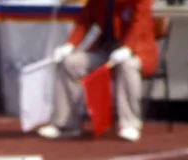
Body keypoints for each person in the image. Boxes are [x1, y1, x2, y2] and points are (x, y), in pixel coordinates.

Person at [37, 0, 158, 142]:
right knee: (70, 63)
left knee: (127, 65)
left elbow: (140, 23)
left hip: (136, 50)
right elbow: (85, 21)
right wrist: (70, 44)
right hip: (106, 49)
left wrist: (127, 48)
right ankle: (65, 125)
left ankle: (130, 124)